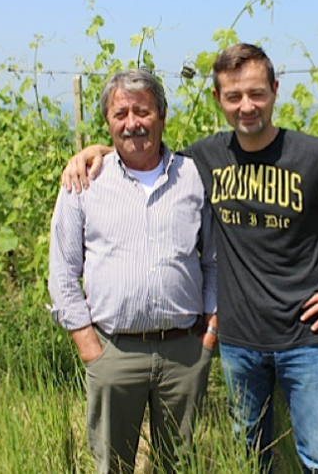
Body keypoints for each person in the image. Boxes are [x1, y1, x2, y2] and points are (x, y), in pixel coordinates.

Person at [62, 44, 318, 474]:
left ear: (275, 91)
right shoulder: (203, 159)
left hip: (307, 342)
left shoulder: (316, 156)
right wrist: (97, 153)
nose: (247, 106)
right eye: (234, 97)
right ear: (218, 100)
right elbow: (143, 153)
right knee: (251, 459)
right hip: (239, 345)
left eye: (257, 93)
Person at [48, 69, 218, 474]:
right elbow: (62, 272)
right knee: (113, 465)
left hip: (184, 351)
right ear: (107, 122)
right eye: (120, 113)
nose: (132, 123)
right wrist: (89, 346)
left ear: (161, 114)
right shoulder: (85, 180)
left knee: (178, 464)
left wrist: (209, 334)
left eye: (141, 111)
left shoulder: (194, 177)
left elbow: (214, 261)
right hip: (113, 350)